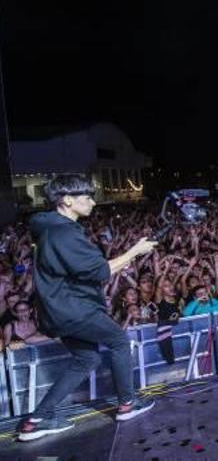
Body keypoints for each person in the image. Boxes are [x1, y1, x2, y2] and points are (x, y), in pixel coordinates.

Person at [18, 174, 158, 441]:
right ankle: (127, 404)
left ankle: (37, 420)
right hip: (74, 309)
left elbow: (84, 270)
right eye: (87, 197)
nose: (93, 202)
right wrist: (134, 251)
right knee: (118, 340)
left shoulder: (49, 228)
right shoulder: (63, 232)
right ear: (67, 200)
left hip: (57, 310)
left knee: (87, 358)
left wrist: (121, 261)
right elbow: (100, 271)